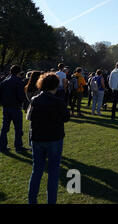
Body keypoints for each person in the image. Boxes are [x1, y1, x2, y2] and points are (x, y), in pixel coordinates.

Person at [27, 73, 70, 204]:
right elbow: (66, 117)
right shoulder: (57, 101)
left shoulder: (35, 99)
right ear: (55, 85)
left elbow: (29, 117)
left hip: (38, 138)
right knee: (53, 172)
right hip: (54, 139)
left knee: (37, 171)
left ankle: (32, 201)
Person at [0, 65, 28, 153]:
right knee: (18, 128)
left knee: (5, 128)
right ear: (18, 72)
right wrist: (22, 101)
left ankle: (2, 146)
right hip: (15, 107)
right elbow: (21, 96)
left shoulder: (4, 81)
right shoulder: (18, 81)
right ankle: (18, 146)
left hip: (6, 107)